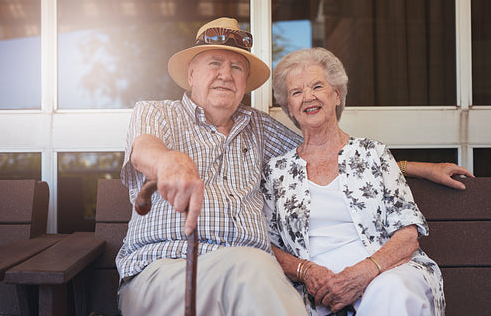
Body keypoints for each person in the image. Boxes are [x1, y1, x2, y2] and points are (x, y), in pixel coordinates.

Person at [116, 17, 471, 315]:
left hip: (250, 280)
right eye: (214, 64)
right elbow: (144, 150)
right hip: (169, 268)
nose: (225, 74)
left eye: (236, 67)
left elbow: (330, 152)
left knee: (259, 275)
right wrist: (170, 163)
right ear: (191, 73)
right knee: (252, 268)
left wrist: (418, 167)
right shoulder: (157, 113)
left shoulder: (258, 128)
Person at [262, 47, 457, 316]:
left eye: (317, 86)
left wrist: (365, 272)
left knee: (392, 292)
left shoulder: (373, 153)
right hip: (313, 289)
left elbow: (408, 236)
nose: (308, 97)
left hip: (385, 273)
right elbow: (268, 244)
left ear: (336, 94)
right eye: (297, 92)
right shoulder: (276, 171)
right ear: (289, 109)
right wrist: (305, 271)